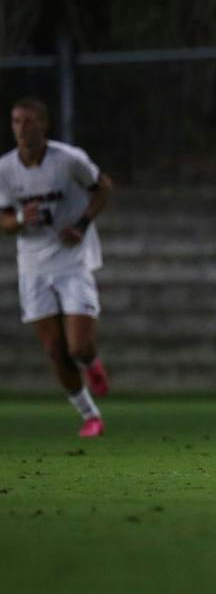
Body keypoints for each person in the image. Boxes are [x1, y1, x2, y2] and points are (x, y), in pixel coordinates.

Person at [0, 97, 114, 437]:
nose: (22, 128)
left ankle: (92, 364)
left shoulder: (68, 160)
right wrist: (20, 218)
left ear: (44, 125)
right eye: (16, 122)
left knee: (78, 347)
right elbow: (3, 220)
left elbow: (103, 188)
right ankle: (91, 416)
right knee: (55, 350)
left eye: (29, 121)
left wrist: (81, 225)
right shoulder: (5, 169)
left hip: (72, 260)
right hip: (33, 266)